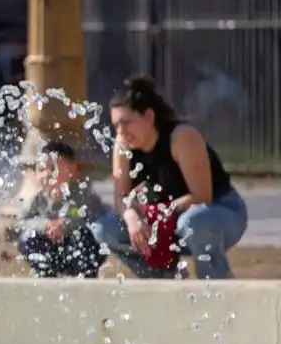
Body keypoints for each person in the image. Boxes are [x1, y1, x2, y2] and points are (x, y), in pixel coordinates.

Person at [91, 75, 248, 279]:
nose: (121, 132)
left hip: (216, 213)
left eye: (126, 123)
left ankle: (216, 283)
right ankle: (161, 277)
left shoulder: (181, 137)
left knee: (193, 222)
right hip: (165, 220)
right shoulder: (122, 145)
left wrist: (157, 212)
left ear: (149, 116)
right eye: (116, 126)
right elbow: (120, 198)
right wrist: (133, 220)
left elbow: (202, 196)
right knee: (104, 228)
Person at [16, 140, 108, 278]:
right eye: (41, 170)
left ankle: (85, 275)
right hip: (51, 248)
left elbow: (92, 216)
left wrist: (64, 224)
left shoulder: (82, 195)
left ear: (72, 170)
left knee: (88, 238)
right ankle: (44, 271)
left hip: (76, 249)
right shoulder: (36, 199)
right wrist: (45, 225)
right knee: (27, 238)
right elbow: (21, 222)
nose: (47, 174)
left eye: (53, 169)